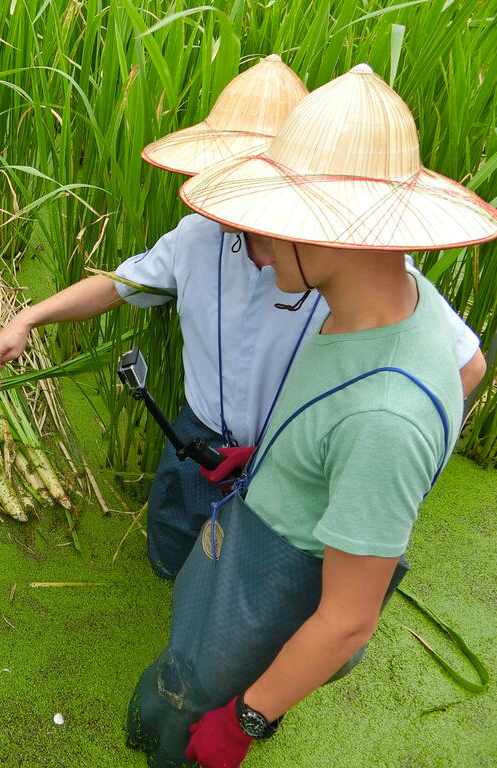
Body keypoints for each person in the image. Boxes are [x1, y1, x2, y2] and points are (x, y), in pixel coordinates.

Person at [0, 56, 485, 579]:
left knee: (253, 585)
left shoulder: (362, 265)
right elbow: (119, 285)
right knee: (175, 556)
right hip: (198, 439)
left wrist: (384, 473)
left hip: (286, 462)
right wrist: (29, 317)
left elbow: (466, 366)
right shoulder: (199, 237)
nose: (256, 233)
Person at [127, 63, 497, 768]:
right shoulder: (375, 313)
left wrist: (245, 722)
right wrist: (287, 465)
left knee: (188, 711)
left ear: (334, 228)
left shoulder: (387, 418)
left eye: (268, 224)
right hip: (252, 530)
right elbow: (451, 377)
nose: (252, 248)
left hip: (274, 590)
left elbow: (347, 619)